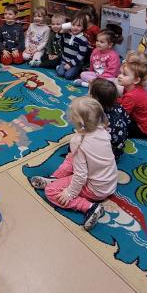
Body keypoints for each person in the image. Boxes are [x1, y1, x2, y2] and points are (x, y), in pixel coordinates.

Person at [29, 96, 117, 231]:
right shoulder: (102, 130)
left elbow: (81, 176)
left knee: (51, 191)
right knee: (72, 156)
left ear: (79, 122)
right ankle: (54, 179)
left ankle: (91, 207)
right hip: (110, 183)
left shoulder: (78, 141)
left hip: (95, 189)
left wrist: (69, 194)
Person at [118, 52, 147, 138]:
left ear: (136, 80)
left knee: (115, 126)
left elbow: (121, 114)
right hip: (145, 123)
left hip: (145, 130)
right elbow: (123, 101)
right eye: (120, 73)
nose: (119, 76)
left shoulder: (132, 96)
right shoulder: (132, 88)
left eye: (124, 75)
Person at [89, 77, 129, 162]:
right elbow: (127, 121)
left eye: (90, 93)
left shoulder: (97, 116)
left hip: (106, 154)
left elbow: (89, 132)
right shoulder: (119, 107)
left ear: (95, 100)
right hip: (118, 149)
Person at [57, 15, 90, 80]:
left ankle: (78, 69)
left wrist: (70, 64)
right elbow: (56, 39)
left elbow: (81, 55)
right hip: (64, 60)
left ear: (83, 27)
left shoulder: (83, 40)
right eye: (73, 25)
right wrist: (60, 32)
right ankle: (60, 67)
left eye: (79, 26)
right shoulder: (66, 34)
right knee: (60, 73)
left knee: (68, 76)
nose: (75, 27)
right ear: (70, 25)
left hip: (75, 63)